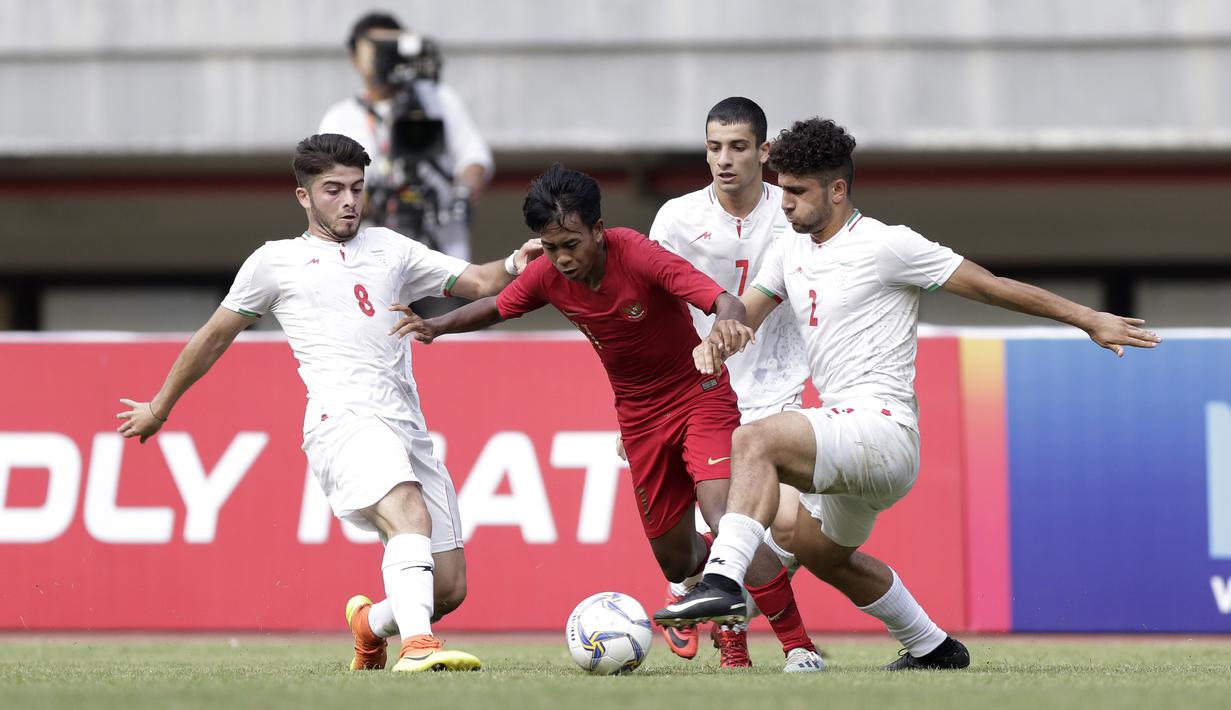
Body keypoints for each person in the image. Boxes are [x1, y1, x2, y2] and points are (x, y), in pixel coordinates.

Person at [653, 117, 1162, 669]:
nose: (786, 203)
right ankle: (933, 646)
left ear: (838, 190)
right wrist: (717, 345)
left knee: (753, 441)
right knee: (818, 553)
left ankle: (720, 582)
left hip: (882, 430)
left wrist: (1088, 318)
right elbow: (743, 317)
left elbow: (991, 286)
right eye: (785, 188)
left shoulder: (887, 245)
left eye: (798, 192)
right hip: (846, 439)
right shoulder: (787, 251)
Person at [115, 133, 540, 673]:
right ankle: (419, 648)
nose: (348, 201)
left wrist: (516, 261)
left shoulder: (391, 247)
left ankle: (373, 625)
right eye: (333, 189)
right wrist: (159, 406)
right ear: (304, 197)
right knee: (407, 511)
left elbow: (480, 281)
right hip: (340, 422)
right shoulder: (275, 262)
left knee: (448, 588)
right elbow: (214, 336)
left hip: (404, 424)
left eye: (357, 189)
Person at [388, 164, 820, 671]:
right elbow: (498, 306)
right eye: (551, 247)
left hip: (699, 396)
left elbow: (722, 299)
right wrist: (436, 325)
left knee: (728, 519)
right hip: (638, 422)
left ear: (598, 228)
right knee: (678, 561)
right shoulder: (549, 274)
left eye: (572, 243)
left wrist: (726, 326)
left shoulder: (637, 253)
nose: (562, 258)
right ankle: (717, 591)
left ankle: (797, 648)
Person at [643, 97, 819, 671]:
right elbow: (651, 306)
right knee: (734, 523)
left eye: (739, 147)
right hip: (703, 391)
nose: (725, 159)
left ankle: (703, 597)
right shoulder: (675, 219)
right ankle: (744, 642)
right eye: (715, 147)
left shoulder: (791, 212)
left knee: (789, 527)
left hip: (779, 388)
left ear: (764, 153)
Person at [320, 11, 493, 263]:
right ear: (354, 57)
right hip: (371, 259)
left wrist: (462, 193)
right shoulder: (340, 117)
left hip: (441, 253)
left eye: (389, 46)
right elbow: (326, 187)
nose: (382, 57)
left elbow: (474, 156)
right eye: (374, 48)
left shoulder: (438, 99)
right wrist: (362, 201)